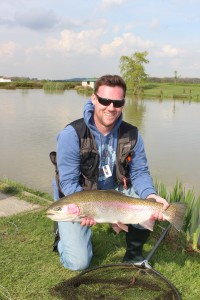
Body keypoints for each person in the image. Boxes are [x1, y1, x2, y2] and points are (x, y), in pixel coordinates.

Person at [52, 74, 169, 271]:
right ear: (94, 98)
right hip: (80, 196)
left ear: (123, 103)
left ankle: (133, 254)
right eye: (105, 100)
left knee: (147, 204)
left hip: (116, 190)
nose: (111, 107)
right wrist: (85, 210)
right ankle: (62, 235)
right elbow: (69, 182)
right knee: (78, 263)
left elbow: (140, 172)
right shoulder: (71, 134)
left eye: (117, 102)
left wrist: (151, 195)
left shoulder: (132, 134)